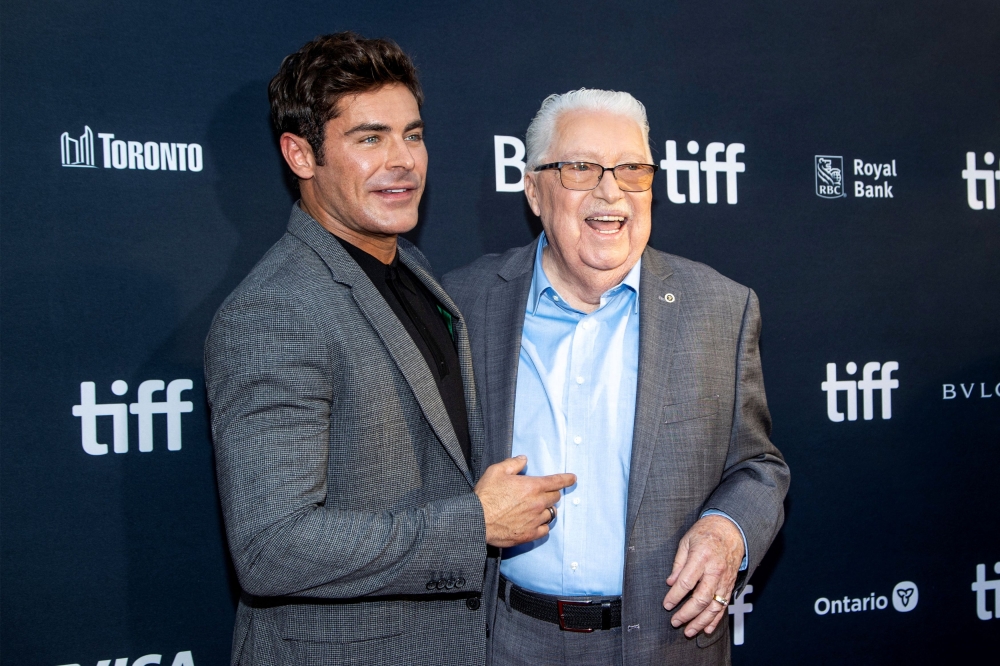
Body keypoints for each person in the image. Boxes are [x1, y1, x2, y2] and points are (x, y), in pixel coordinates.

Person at [204, 33, 574, 666]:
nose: (403, 160)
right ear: (301, 154)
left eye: (413, 134)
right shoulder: (274, 310)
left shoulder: (413, 267)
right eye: (369, 138)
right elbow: (271, 549)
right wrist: (473, 524)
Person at [443, 89, 790, 665]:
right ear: (533, 189)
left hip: (666, 643)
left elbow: (758, 466)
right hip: (506, 643)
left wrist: (729, 530)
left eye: (632, 170)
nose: (612, 192)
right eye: (581, 168)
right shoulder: (464, 304)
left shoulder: (720, 309)